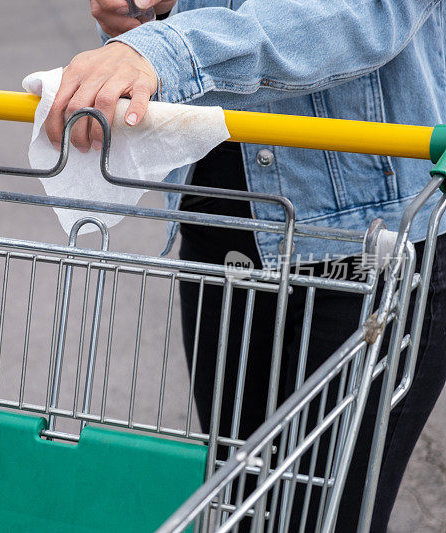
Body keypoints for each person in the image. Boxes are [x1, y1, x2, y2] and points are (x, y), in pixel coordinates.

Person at [45, 1, 446, 531]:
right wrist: (151, 11)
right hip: (219, 226)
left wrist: (169, 49)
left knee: (319, 517)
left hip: (365, 240)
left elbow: (366, 13)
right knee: (242, 506)